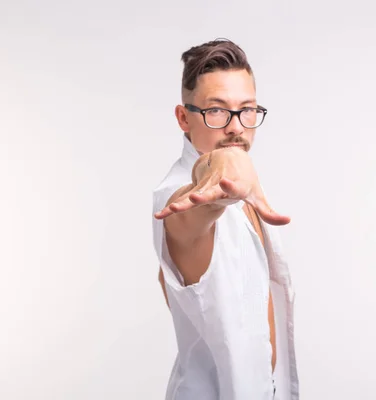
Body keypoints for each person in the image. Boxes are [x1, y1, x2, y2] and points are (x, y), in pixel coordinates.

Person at [152, 38, 299, 399]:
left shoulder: (244, 193)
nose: (236, 127)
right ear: (184, 118)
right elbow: (192, 211)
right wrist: (221, 164)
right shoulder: (181, 198)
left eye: (247, 110)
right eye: (217, 111)